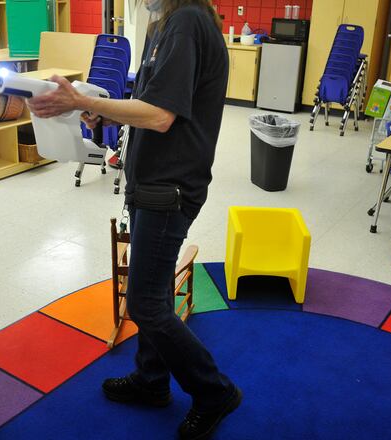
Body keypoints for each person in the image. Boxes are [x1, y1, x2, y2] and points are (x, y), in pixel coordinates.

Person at [26, 0, 238, 438]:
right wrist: (100, 110)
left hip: (170, 185)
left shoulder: (187, 23)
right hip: (152, 181)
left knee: (144, 301)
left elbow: (161, 117)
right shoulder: (165, 25)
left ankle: (214, 391)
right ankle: (151, 379)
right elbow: (148, 104)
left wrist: (81, 98)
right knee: (154, 287)